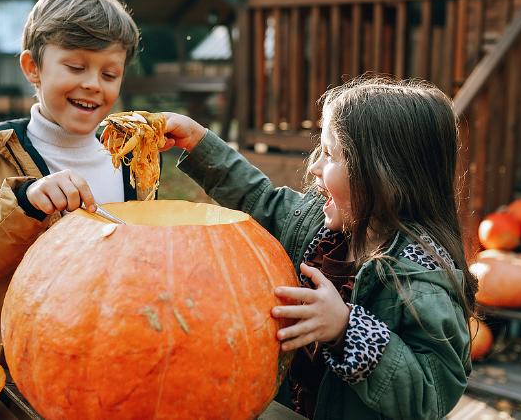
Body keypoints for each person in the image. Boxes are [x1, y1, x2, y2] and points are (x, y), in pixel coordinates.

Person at [163, 78, 477, 419]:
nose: (313, 167)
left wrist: (347, 329)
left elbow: (429, 396)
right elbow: (260, 199)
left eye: (329, 154)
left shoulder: (419, 282)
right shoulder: (318, 226)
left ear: (382, 176)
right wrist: (199, 143)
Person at [0, 0, 140, 364]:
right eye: (76, 67)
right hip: (3, 376)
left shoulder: (131, 162)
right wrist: (24, 202)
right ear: (33, 68)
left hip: (99, 363)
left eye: (110, 74)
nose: (93, 83)